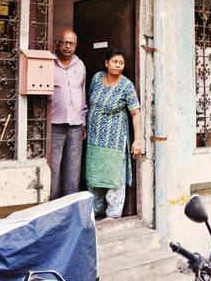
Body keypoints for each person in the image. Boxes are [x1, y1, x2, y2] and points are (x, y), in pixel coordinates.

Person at [86, 49, 142, 220]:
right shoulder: (96, 78)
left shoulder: (126, 85)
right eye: (114, 61)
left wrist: (138, 140)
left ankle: (112, 214)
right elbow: (90, 101)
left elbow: (136, 113)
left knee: (114, 175)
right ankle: (95, 210)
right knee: (93, 174)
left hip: (115, 138)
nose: (118, 65)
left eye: (121, 62)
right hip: (94, 137)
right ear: (106, 63)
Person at [49, 29, 87, 200]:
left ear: (76, 46)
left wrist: (83, 121)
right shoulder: (49, 62)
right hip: (54, 125)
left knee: (73, 168)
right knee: (53, 168)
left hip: (76, 126)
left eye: (71, 43)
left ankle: (70, 207)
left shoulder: (80, 65)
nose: (68, 46)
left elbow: (82, 94)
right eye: (64, 42)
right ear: (58, 43)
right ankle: (52, 206)